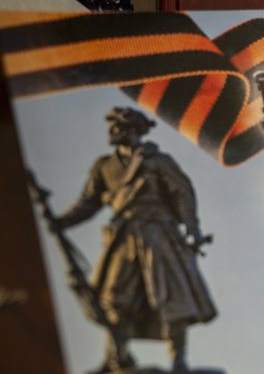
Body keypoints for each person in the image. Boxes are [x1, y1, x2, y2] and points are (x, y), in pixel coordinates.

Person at [55, 107, 216, 373]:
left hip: (158, 234)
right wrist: (61, 221)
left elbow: (183, 194)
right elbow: (88, 202)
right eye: (111, 126)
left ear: (133, 130)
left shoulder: (159, 161)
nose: (112, 131)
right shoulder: (104, 166)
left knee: (171, 297)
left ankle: (179, 361)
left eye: (118, 126)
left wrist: (193, 229)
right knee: (114, 298)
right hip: (123, 236)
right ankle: (116, 358)